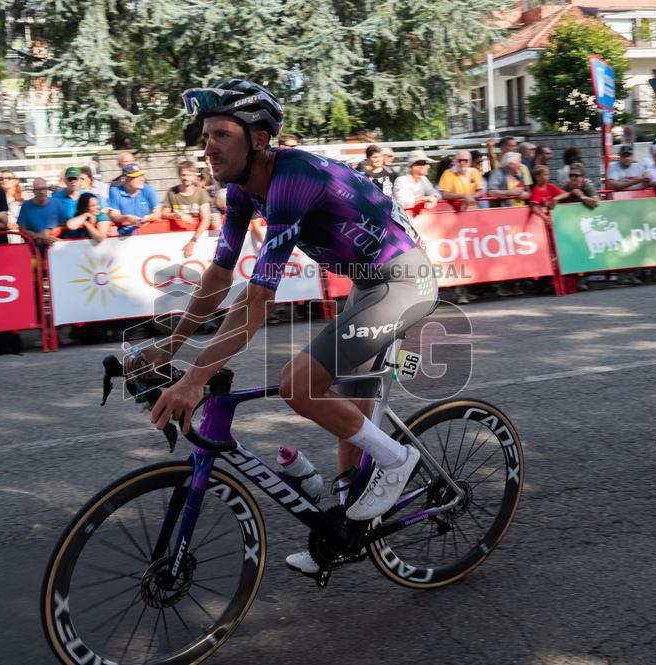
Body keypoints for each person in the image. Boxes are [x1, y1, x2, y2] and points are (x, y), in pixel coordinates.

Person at [136, 79, 436, 575]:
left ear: (258, 139)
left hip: (405, 281)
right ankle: (343, 533)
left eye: (221, 134)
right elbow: (219, 275)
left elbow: (256, 300)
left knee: (300, 385)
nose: (207, 145)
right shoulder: (239, 191)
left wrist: (195, 379)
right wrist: (170, 347)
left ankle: (398, 460)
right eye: (205, 134)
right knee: (348, 409)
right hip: (367, 285)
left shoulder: (292, 178)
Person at [164, 161, 212, 256]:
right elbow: (164, 213)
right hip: (176, 240)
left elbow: (206, 219)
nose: (186, 178)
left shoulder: (201, 193)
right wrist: (178, 214)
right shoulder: (172, 192)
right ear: (179, 175)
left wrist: (193, 241)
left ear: (195, 177)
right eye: (183, 175)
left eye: (189, 175)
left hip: (199, 238)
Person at [107, 163, 161, 234]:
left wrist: (149, 217)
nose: (141, 179)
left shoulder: (149, 189)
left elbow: (157, 213)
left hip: (147, 234)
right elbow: (114, 215)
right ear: (124, 180)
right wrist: (127, 218)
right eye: (135, 176)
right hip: (124, 235)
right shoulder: (115, 190)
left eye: (142, 175)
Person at [17, 177, 62, 247]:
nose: (42, 192)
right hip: (34, 248)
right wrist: (39, 236)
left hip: (55, 246)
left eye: (44, 188)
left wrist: (50, 232)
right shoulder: (26, 206)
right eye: (38, 189)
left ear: (47, 189)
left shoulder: (57, 203)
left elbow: (64, 225)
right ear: (33, 191)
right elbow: (22, 230)